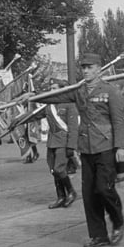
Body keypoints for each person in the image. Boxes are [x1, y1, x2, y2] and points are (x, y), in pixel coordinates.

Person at [40, 54, 124, 247]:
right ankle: (99, 235)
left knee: (104, 188)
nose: (86, 71)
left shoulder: (110, 91)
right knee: (89, 193)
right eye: (83, 67)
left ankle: (117, 221)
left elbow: (118, 121)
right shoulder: (78, 91)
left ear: (99, 69)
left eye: (90, 67)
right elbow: (57, 96)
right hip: (86, 147)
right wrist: (34, 96)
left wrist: (120, 147)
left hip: (105, 146)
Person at [44, 79, 79, 208]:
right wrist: (18, 121)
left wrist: (71, 146)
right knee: (53, 170)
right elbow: (34, 115)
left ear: (62, 89)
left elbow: (73, 128)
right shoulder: (49, 105)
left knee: (59, 169)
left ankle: (71, 192)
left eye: (54, 88)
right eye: (51, 88)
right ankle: (61, 196)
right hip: (52, 141)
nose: (51, 90)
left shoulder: (69, 105)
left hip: (63, 141)